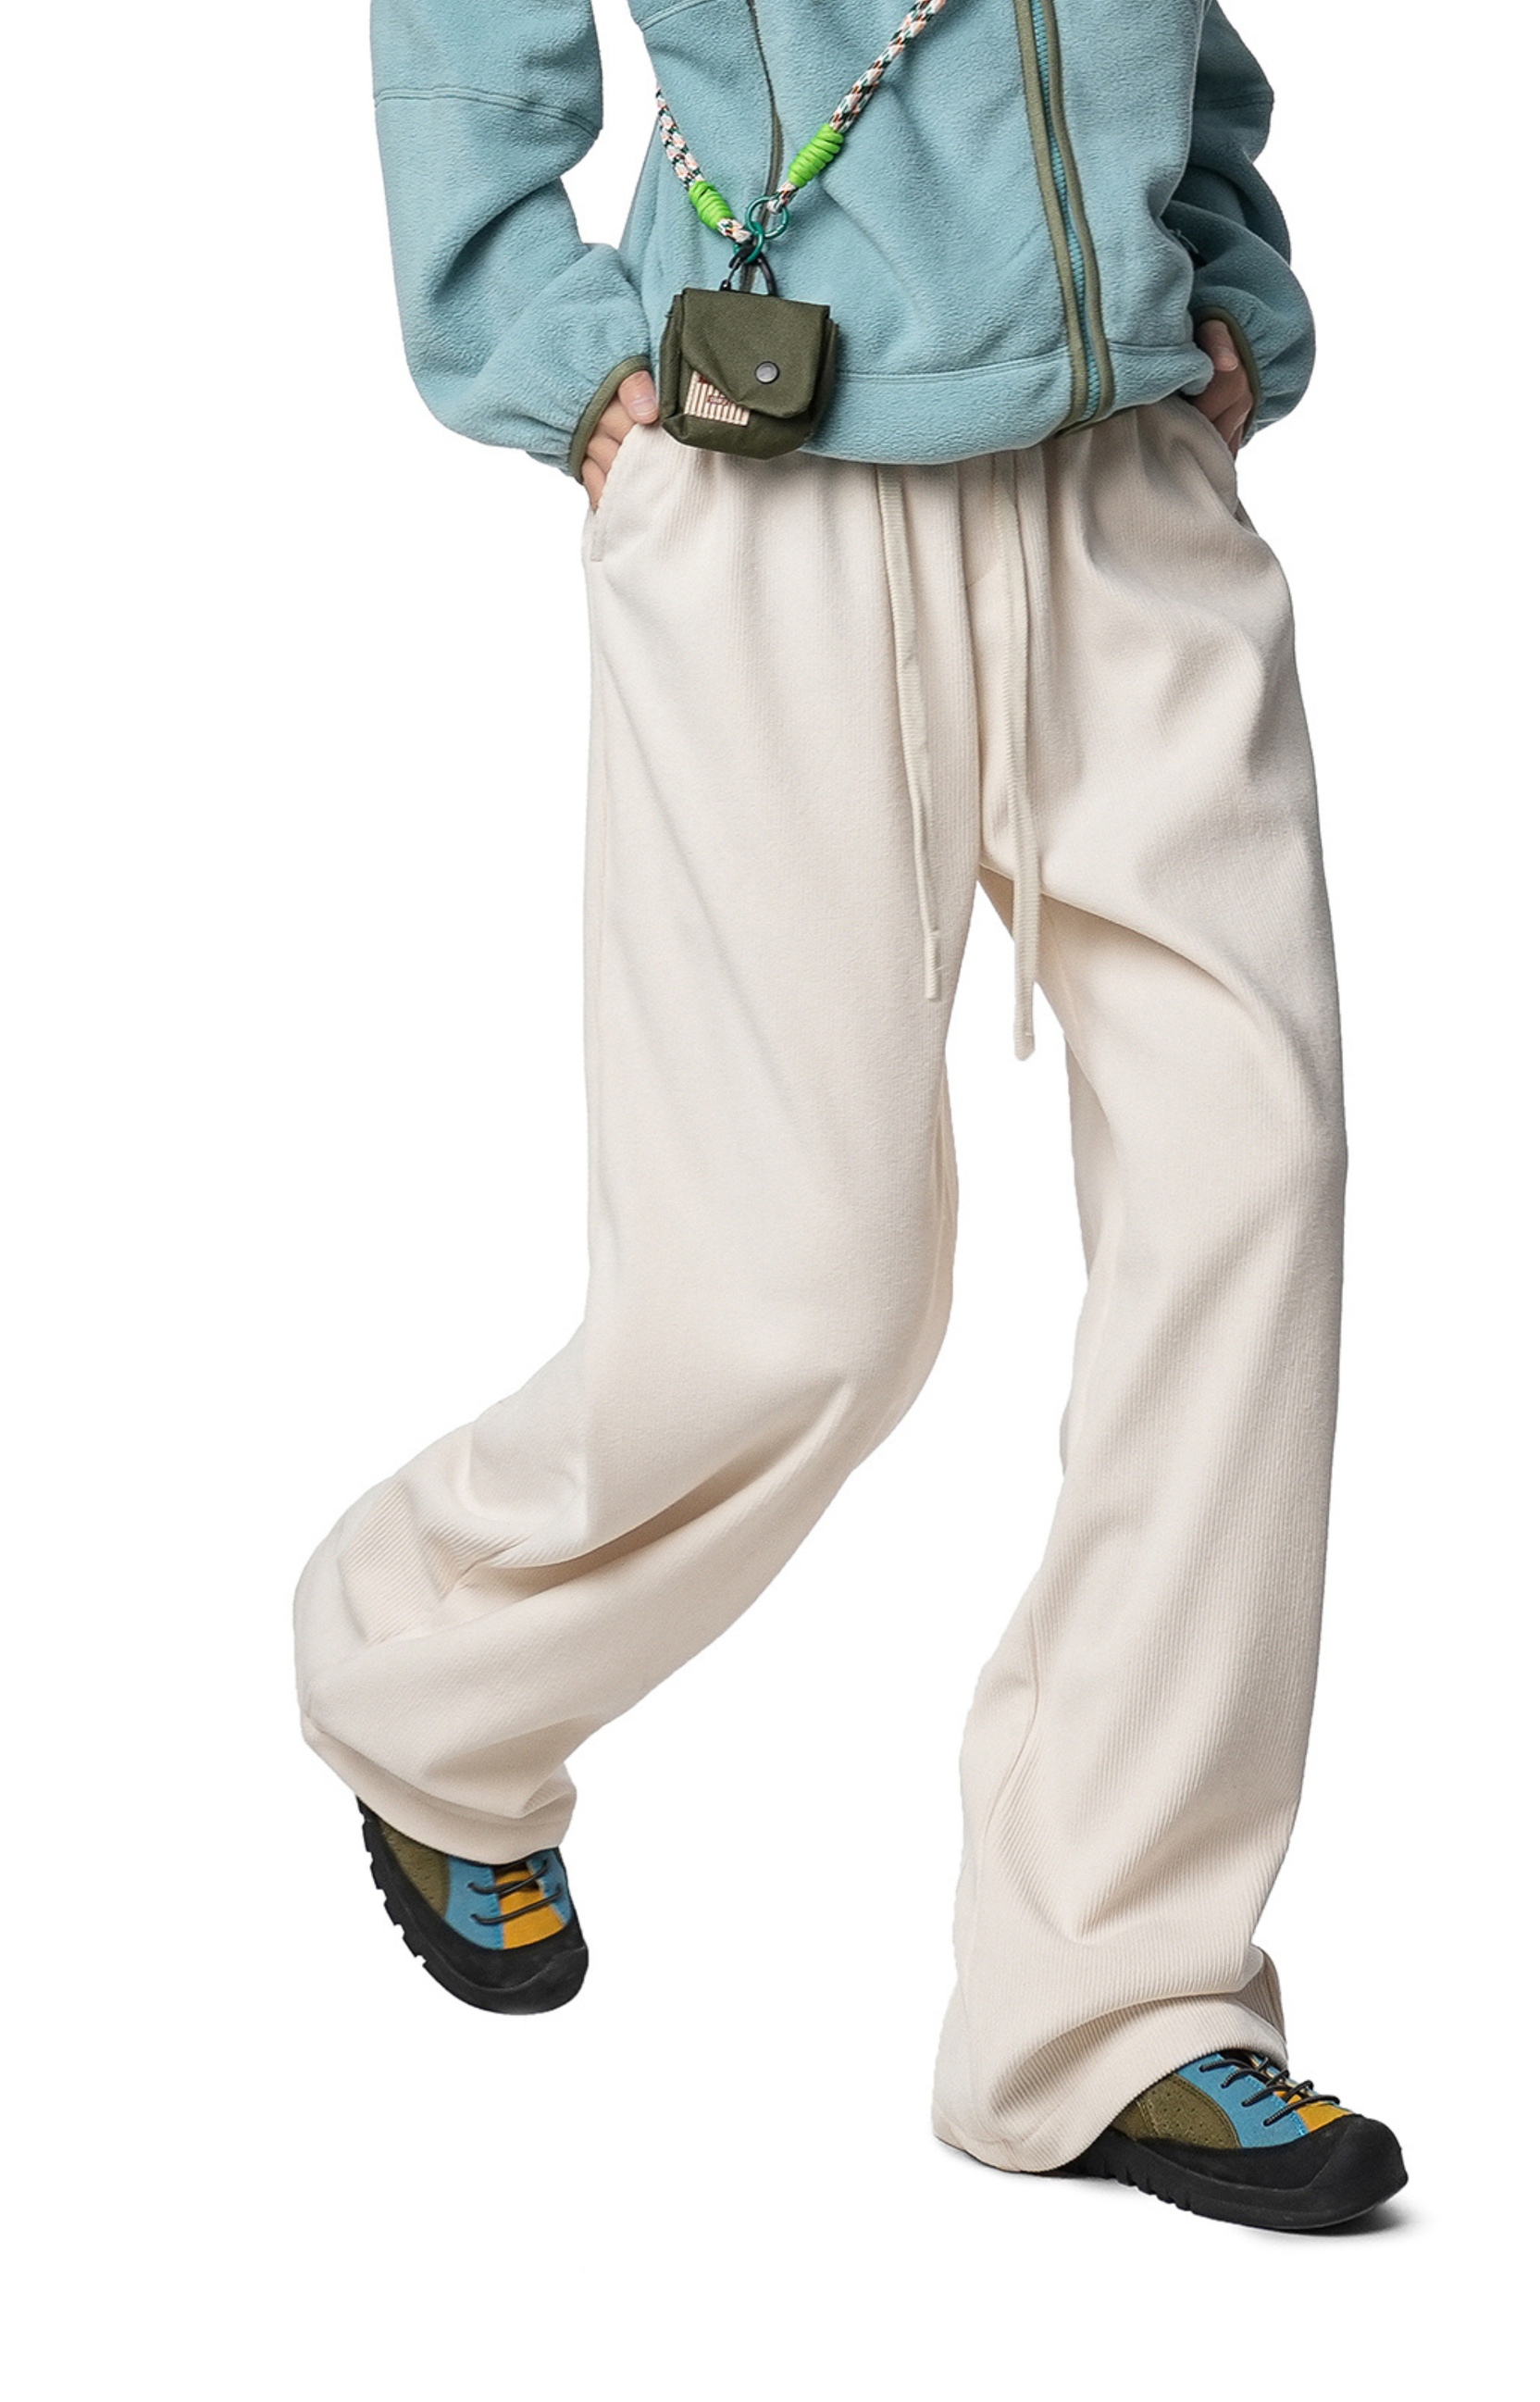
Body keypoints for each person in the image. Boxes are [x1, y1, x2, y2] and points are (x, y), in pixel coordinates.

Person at [295, 0, 1407, 2234]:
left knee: (1249, 1183)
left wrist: (1223, 278)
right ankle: (426, 1675)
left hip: (1127, 481)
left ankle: (1115, 2000)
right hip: (775, 465)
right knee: (801, 1295)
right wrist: (553, 353)